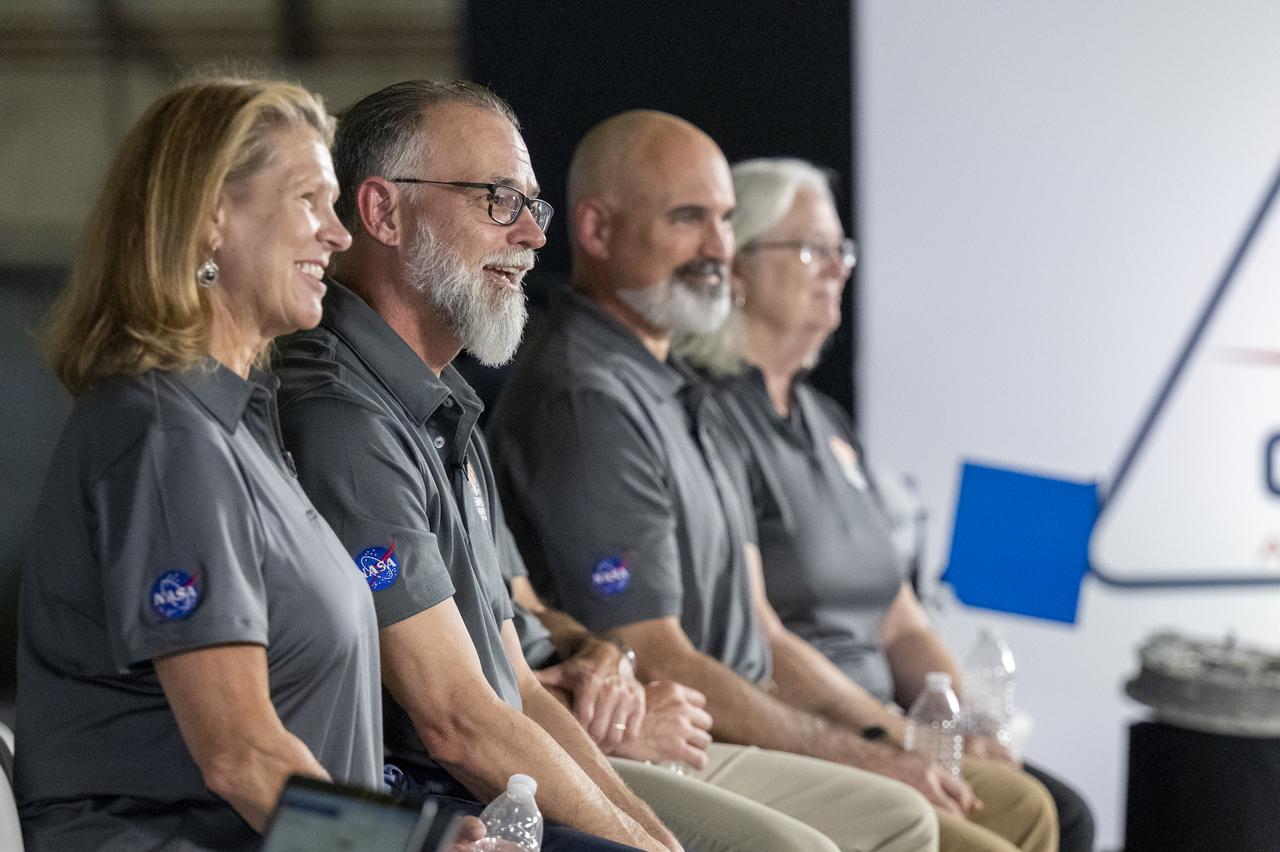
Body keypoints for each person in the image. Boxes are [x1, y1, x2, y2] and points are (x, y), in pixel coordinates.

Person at [487, 109, 1057, 852]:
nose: (719, 248)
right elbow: (653, 652)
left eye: (724, 220)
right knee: (953, 829)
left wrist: (889, 736)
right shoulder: (585, 396)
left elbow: (764, 626)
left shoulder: (672, 381)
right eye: (689, 219)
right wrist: (873, 750)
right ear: (595, 232)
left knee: (1027, 808)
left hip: (738, 719)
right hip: (678, 740)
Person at [272, 80, 671, 852]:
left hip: (465, 792)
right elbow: (455, 720)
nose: (531, 235)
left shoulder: (444, 403)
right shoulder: (335, 412)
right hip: (404, 808)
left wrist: (653, 840)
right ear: (383, 212)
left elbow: (514, 685)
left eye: (532, 204)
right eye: (496, 198)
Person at [674, 157, 1096, 852]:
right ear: (738, 268)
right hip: (803, 727)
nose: (836, 268)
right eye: (810, 248)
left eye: (840, 250)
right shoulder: (710, 418)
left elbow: (900, 618)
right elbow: (760, 637)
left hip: (890, 715)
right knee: (1021, 820)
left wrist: (961, 727)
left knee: (1061, 810)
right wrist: (896, 737)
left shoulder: (825, 418)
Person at [14, 76, 382, 851]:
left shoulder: (236, 423)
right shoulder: (164, 434)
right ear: (213, 216)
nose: (339, 234)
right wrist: (401, 845)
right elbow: (241, 758)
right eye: (311, 200)